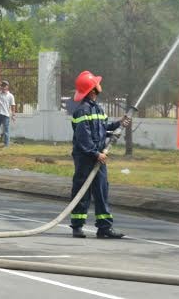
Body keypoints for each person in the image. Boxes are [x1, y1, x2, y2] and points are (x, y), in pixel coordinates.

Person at [69, 70, 130, 240]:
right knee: (82, 192)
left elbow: (103, 128)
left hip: (98, 157)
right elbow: (83, 137)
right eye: (96, 82)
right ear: (93, 89)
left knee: (102, 191)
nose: (99, 83)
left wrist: (119, 123)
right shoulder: (82, 111)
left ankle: (104, 228)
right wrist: (95, 153)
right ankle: (77, 226)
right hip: (86, 158)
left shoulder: (98, 108)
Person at [0, 80, 16, 147]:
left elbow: (13, 105)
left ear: (7, 87)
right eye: (2, 86)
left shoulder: (10, 96)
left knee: (6, 131)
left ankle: (6, 144)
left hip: (6, 115)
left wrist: (13, 114)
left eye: (5, 86)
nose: (3, 87)